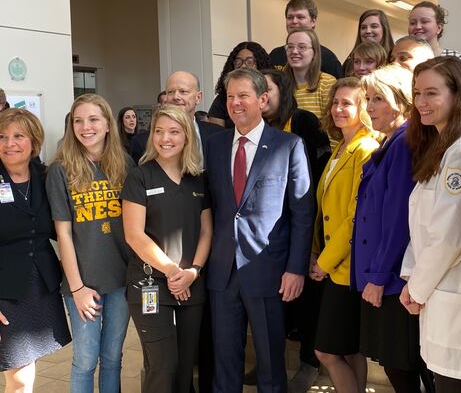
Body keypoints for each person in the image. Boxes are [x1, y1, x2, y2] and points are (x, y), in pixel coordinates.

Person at [205, 67, 314, 392]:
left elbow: (303, 213)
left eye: (243, 96)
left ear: (263, 99)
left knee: (270, 363)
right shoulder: (215, 145)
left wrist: (296, 269)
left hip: (268, 271)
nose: (235, 103)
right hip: (222, 272)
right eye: (230, 97)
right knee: (224, 362)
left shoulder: (288, 145)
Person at [400, 57, 461, 392]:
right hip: (437, 293)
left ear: (457, 95)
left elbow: (450, 235)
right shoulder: (442, 147)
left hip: (455, 297)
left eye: (431, 93)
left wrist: (415, 288)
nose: (421, 102)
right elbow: (423, 229)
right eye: (418, 93)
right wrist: (412, 279)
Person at [46, 94, 133, 393]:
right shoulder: (60, 170)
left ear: (108, 124)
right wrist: (77, 288)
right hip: (83, 284)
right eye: (78, 120)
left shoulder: (125, 165)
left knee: (112, 358)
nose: (85, 127)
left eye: (93, 119)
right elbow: (64, 235)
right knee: (85, 361)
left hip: (121, 280)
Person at [122, 105, 212, 393]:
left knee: (186, 367)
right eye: (159, 131)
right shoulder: (140, 177)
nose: (165, 138)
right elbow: (135, 235)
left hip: (191, 283)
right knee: (162, 365)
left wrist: (193, 271)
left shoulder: (198, 178)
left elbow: (207, 230)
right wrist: (173, 272)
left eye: (174, 131)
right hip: (150, 284)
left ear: (187, 136)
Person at [351, 65, 425, 393]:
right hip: (383, 275)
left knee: (402, 368)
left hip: (393, 280)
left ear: (401, 101)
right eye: (368, 98)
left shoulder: (404, 142)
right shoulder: (391, 141)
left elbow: (398, 220)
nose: (369, 107)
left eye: (378, 98)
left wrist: (378, 277)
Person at [258, 68, 330, 392]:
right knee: (277, 302)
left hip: (306, 222)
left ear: (282, 92)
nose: (260, 97)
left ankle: (308, 363)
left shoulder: (303, 122)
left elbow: (314, 177)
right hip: (271, 232)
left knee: (307, 301)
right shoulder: (253, 128)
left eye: (266, 90)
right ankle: (271, 368)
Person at [309, 77, 379, 393]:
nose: (338, 108)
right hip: (337, 265)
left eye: (347, 103)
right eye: (335, 102)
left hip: (346, 267)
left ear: (364, 108)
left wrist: (324, 261)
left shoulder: (365, 149)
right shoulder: (342, 146)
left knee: (326, 350)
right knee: (350, 348)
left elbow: (355, 218)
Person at [0, 109, 71, 392]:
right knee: (16, 372)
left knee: (25, 367)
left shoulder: (46, 176)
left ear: (34, 141)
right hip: (5, 288)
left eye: (18, 136)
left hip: (40, 283)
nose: (9, 144)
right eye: (2, 137)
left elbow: (63, 226)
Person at [130, 71, 223, 165]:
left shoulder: (218, 135)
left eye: (183, 92)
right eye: (170, 92)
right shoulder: (142, 142)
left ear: (198, 97)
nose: (176, 97)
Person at [269, 0, 343, 79]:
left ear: (313, 21)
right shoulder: (275, 55)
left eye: (300, 17)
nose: (294, 21)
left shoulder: (328, 58)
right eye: (290, 17)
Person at [208, 42, 272, 128]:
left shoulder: (272, 94)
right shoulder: (222, 99)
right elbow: (215, 135)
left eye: (249, 62)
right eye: (238, 62)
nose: (243, 66)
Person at [285, 28, 337, 122]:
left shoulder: (327, 83)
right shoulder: (280, 84)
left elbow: (332, 127)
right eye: (290, 47)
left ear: (314, 52)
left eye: (302, 47)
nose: (294, 51)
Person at [343, 10, 395, 75]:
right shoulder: (350, 62)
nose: (368, 31)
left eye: (374, 26)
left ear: (384, 29)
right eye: (363, 27)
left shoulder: (394, 60)